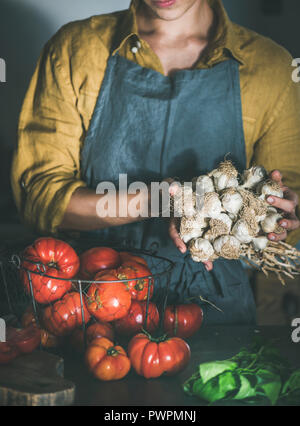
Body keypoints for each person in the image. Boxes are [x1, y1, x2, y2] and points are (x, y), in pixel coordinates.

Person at [11, 0, 300, 324]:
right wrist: (156, 201)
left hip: (215, 312)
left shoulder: (273, 67)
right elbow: (38, 197)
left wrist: (278, 218)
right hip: (94, 301)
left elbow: (286, 206)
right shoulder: (74, 49)